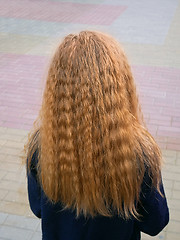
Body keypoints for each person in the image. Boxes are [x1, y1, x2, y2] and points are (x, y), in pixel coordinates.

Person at [25, 31, 169, 240]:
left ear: (57, 86)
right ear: (120, 82)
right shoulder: (139, 151)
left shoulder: (42, 145)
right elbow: (155, 222)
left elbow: (38, 208)